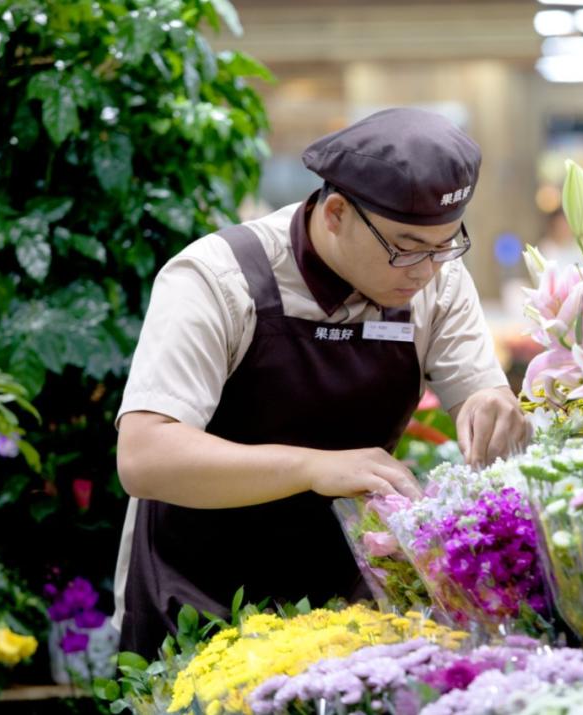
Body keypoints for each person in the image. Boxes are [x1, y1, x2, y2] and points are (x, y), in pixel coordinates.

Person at [111, 108, 527, 657]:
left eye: (444, 245)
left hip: (344, 606)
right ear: (335, 213)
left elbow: (477, 389)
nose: (425, 271)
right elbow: (145, 456)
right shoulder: (218, 277)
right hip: (191, 596)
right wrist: (316, 467)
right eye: (406, 247)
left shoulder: (436, 281)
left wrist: (491, 406)